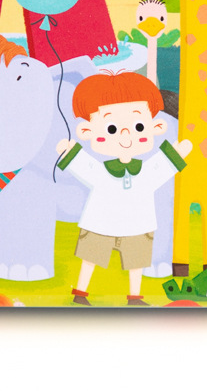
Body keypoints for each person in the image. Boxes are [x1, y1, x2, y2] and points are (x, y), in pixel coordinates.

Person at [56, 71, 192, 306]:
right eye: (111, 129)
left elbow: (159, 168)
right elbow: (87, 167)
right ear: (87, 131)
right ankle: (80, 293)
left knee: (136, 262)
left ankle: (134, 297)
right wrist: (71, 153)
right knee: (90, 258)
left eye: (138, 126)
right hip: (100, 223)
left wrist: (176, 154)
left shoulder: (145, 172)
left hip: (138, 224)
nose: (126, 135)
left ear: (156, 127)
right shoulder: (102, 173)